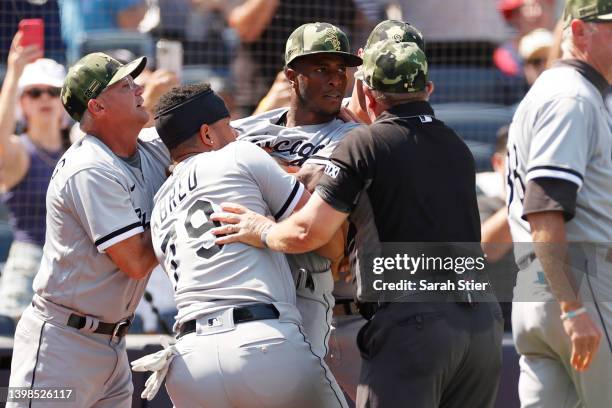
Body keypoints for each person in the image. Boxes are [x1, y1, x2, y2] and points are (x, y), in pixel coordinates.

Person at [211, 40, 504, 408]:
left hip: (414, 321)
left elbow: (309, 232)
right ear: (427, 90)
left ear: (365, 92)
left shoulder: (364, 144)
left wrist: (262, 229)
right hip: (482, 324)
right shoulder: (456, 145)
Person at [132, 83, 348, 407]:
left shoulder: (159, 202)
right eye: (229, 127)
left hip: (189, 364)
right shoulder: (239, 154)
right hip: (261, 344)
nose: (236, 134)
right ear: (207, 134)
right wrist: (270, 230)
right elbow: (328, 241)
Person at [7, 52, 169, 407]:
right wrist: (179, 204)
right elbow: (137, 261)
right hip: (61, 347)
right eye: (126, 86)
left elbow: (219, 139)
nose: (140, 88)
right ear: (97, 106)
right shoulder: (89, 166)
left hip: (113, 344)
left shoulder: (151, 150)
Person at [231, 22, 362, 362]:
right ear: (291, 75)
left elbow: (321, 217)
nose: (336, 78)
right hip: (247, 296)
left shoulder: (352, 136)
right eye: (321, 68)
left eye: (341, 69)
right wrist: (282, 172)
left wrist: (260, 167)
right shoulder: (250, 128)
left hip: (322, 302)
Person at [505, 0, 612, 406]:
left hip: (540, 284)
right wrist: (572, 309)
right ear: (579, 32)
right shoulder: (573, 97)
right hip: (580, 283)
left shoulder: (554, 91)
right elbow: (545, 207)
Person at [0, 32, 66, 320]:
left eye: (53, 91)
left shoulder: (78, 150)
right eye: (34, 92)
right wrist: (14, 73)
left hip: (70, 269)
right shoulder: (19, 152)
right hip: (28, 269)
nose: (44, 98)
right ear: (22, 102)